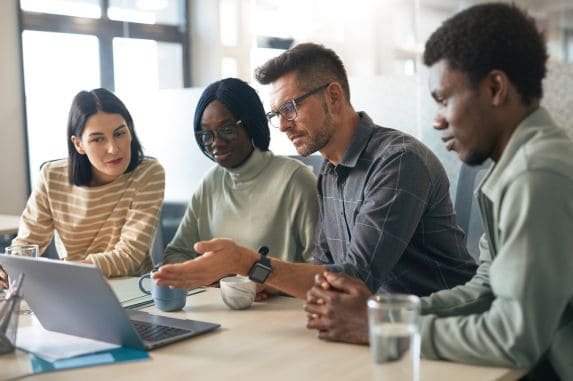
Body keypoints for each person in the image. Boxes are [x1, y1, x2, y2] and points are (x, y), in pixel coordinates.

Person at [304, 3, 573, 379]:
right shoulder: (513, 167)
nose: (438, 119)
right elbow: (484, 289)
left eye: (445, 99)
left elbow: (515, 337)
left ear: (495, 88)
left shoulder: (536, 174)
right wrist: (387, 315)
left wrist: (382, 330)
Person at [153, 44, 475, 299]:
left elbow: (355, 278)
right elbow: (322, 269)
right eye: (276, 114)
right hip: (374, 327)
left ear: (333, 96)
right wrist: (269, 283)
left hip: (444, 331)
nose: (281, 125)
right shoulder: (330, 172)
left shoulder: (398, 161)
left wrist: (247, 262)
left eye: (290, 108)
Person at [162, 78, 319, 298]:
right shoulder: (211, 182)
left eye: (227, 130)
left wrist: (269, 284)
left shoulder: (296, 180)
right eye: (207, 135)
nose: (216, 143)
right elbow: (176, 254)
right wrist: (215, 279)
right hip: (222, 313)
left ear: (251, 123)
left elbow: (323, 271)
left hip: (281, 316)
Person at [1, 88, 164, 287]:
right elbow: (27, 244)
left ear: (130, 131)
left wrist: (64, 273)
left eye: (119, 133)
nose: (113, 148)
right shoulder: (51, 177)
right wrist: (11, 267)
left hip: (133, 293)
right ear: (78, 144)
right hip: (74, 290)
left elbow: (129, 255)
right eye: (98, 139)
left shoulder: (148, 173)